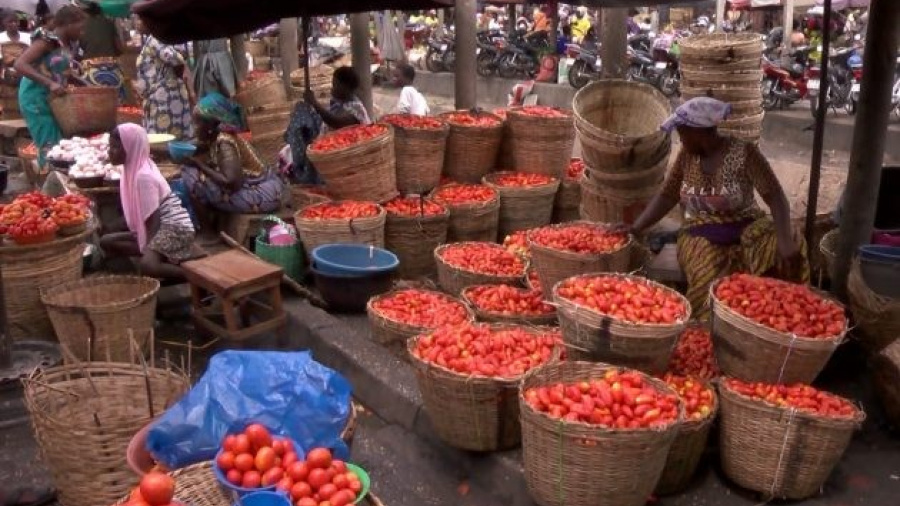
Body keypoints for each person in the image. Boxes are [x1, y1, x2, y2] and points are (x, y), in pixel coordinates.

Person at [627, 98, 808, 319]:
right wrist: (636, 228)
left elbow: (776, 197)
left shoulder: (744, 152)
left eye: (682, 132)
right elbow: (667, 196)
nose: (680, 138)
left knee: (793, 242)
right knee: (708, 270)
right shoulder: (686, 157)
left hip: (746, 226)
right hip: (699, 233)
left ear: (699, 131)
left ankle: (780, 316)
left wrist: (784, 241)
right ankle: (707, 328)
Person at [100, 123, 199, 281]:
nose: (110, 151)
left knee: (148, 266)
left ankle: (199, 278)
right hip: (156, 226)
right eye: (110, 146)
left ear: (130, 148)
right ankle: (165, 257)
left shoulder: (142, 176)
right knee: (106, 242)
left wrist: (149, 251)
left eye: (116, 147)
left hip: (174, 227)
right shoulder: (131, 169)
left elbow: (154, 220)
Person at [182, 93, 284, 242]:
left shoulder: (225, 142)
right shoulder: (216, 136)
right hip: (262, 186)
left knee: (191, 174)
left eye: (198, 124)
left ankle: (208, 233)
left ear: (211, 125)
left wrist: (199, 164)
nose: (195, 129)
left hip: (264, 194)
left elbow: (232, 183)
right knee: (198, 173)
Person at [14, 5, 86, 166]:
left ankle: (57, 184)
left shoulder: (69, 44)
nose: (83, 32)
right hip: (36, 99)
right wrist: (50, 83)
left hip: (55, 100)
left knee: (61, 145)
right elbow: (20, 64)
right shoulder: (47, 41)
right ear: (68, 23)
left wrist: (84, 83)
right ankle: (48, 185)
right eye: (80, 27)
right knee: (50, 146)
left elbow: (60, 70)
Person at [285, 66, 371, 184]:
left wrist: (314, 103)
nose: (332, 88)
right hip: (331, 143)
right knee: (302, 109)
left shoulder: (356, 108)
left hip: (346, 154)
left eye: (335, 85)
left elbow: (336, 122)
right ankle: (300, 159)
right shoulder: (340, 103)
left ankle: (304, 169)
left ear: (346, 88)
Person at [133, 15, 193, 139]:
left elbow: (176, 59)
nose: (137, 23)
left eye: (140, 19)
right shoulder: (152, 39)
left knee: (163, 138)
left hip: (165, 99)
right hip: (158, 97)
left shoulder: (156, 40)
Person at [77, 1, 126, 101]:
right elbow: (120, 49)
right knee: (116, 106)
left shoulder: (81, 26)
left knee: (94, 104)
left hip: (90, 71)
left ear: (85, 12)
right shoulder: (109, 23)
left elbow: (80, 48)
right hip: (112, 70)